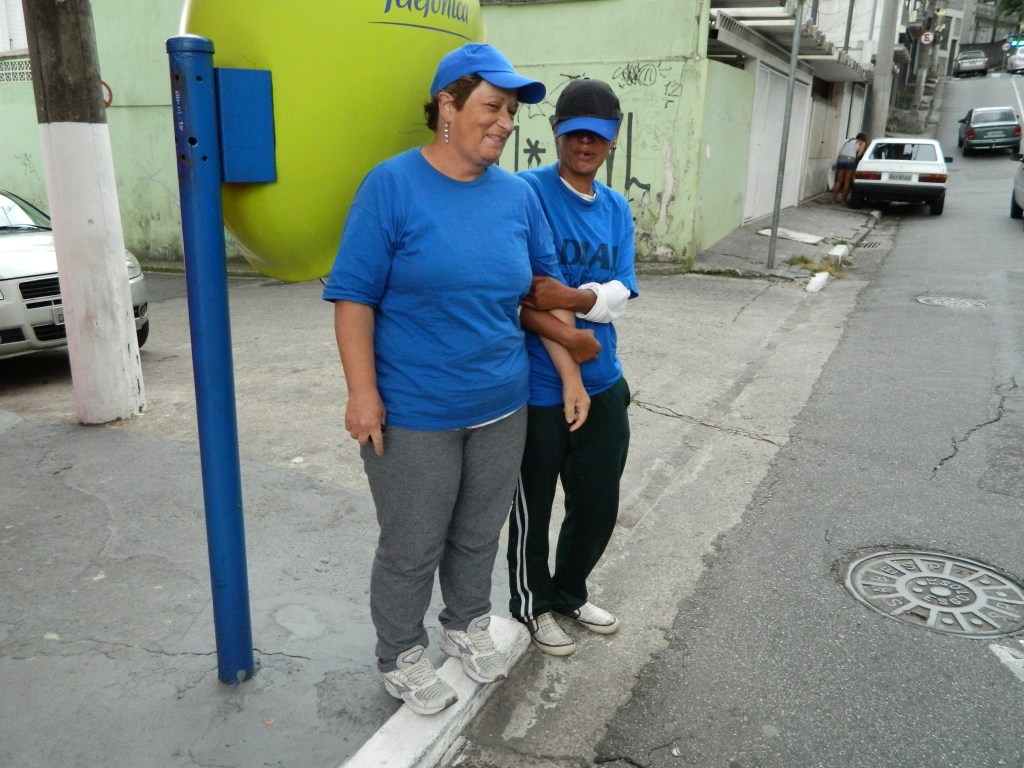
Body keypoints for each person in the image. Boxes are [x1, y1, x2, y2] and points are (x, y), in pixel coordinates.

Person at [321, 43, 593, 716]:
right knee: (413, 542)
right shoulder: (392, 186)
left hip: (501, 402)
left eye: (511, 113)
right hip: (415, 409)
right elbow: (353, 296)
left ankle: (466, 622)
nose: (505, 123)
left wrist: (570, 373)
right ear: (447, 106)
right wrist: (362, 393)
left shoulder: (517, 196)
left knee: (478, 531)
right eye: (492, 108)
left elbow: (539, 291)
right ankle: (400, 653)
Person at [506, 78, 638, 656]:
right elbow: (522, 293)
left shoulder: (615, 208)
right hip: (534, 387)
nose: (586, 144)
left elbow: (622, 292)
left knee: (597, 502)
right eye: (576, 132)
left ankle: (568, 592)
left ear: (613, 140)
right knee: (534, 506)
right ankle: (532, 605)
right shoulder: (522, 193)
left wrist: (578, 299)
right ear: (555, 129)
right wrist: (584, 310)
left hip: (605, 379)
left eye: (599, 136)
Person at [832, 132, 869, 205]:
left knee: (838, 181)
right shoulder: (862, 143)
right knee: (847, 182)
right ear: (864, 138)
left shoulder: (848, 140)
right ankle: (843, 201)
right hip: (850, 160)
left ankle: (833, 200)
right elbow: (859, 155)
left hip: (840, 159)